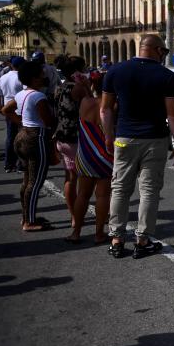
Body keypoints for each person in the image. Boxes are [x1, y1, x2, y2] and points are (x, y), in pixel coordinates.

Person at [101, 34, 174, 259]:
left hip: (123, 138)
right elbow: (173, 116)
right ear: (157, 50)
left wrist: (108, 136)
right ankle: (142, 240)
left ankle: (117, 239)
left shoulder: (115, 72)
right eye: (164, 52)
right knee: (149, 191)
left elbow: (105, 109)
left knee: (120, 188)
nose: (164, 56)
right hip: (155, 139)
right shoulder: (166, 76)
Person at [1, 61, 56, 231]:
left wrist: (23, 122)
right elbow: (48, 121)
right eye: (41, 74)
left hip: (22, 135)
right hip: (36, 137)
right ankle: (29, 222)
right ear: (34, 78)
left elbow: (5, 110)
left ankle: (26, 215)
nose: (44, 76)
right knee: (35, 181)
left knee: (26, 180)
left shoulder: (21, 94)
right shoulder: (38, 96)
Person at [68, 71, 113, 244]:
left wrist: (86, 83)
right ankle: (99, 233)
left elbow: (82, 93)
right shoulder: (112, 105)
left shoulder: (85, 102)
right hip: (105, 156)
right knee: (102, 196)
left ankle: (76, 232)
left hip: (85, 154)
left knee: (82, 195)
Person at [53, 56, 89, 228]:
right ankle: (79, 215)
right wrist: (88, 86)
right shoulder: (78, 89)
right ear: (77, 71)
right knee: (84, 179)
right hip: (76, 138)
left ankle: (73, 216)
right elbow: (92, 104)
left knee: (70, 177)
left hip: (62, 136)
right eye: (84, 68)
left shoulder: (59, 87)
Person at [0, 56, 25, 172]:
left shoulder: (4, 77)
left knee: (10, 137)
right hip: (21, 110)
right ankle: (21, 164)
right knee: (22, 138)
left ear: (11, 65)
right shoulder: (22, 77)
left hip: (8, 110)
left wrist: (0, 108)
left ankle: (8, 164)